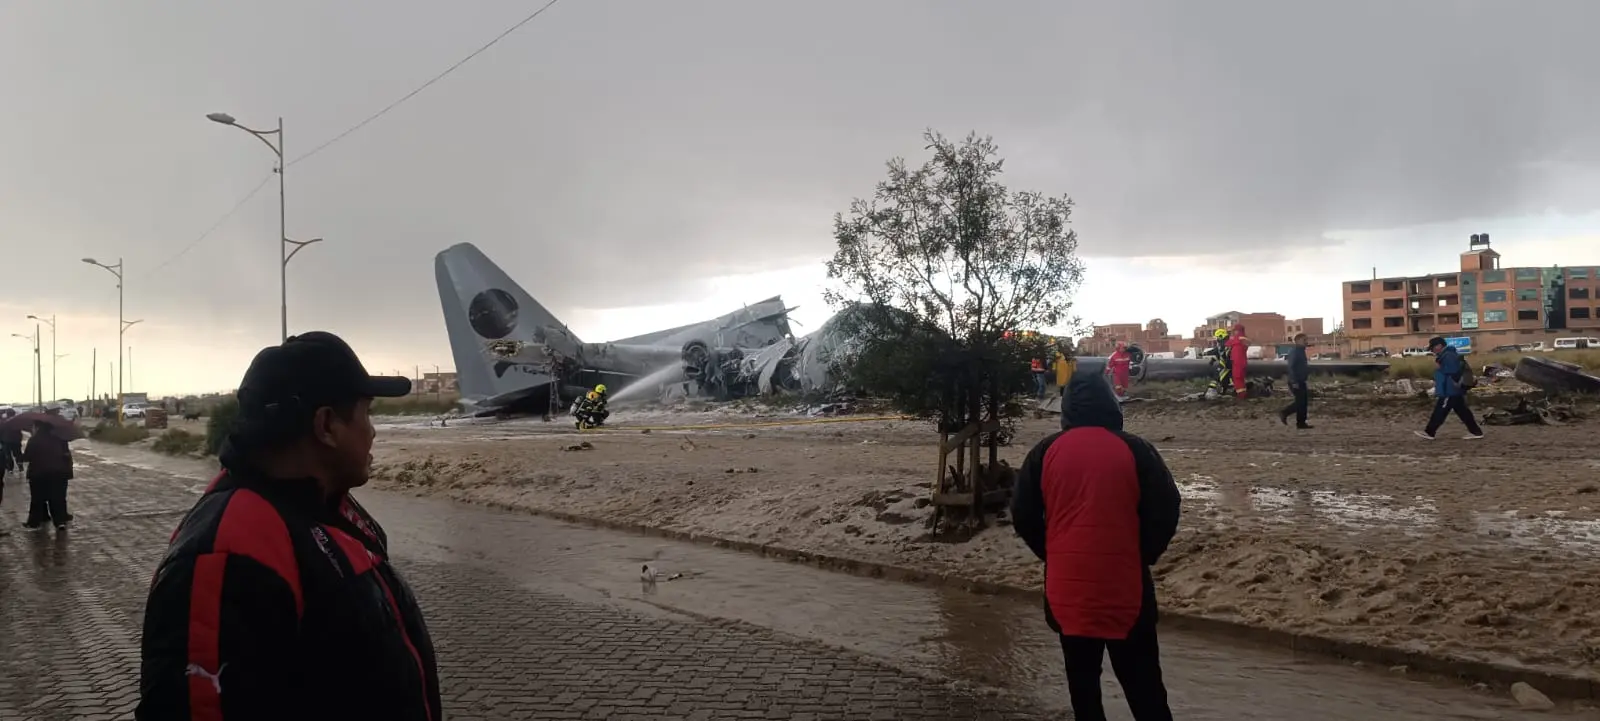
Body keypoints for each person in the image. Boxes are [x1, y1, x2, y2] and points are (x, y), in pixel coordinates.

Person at [136, 331, 441, 720]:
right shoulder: (231, 548)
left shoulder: (325, 508)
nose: (373, 430)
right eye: (366, 413)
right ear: (326, 425)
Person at [1011, 371, 1182, 721]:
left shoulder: (1044, 452)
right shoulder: (1136, 449)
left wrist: (1053, 553)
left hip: (1067, 592)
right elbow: (1165, 509)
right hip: (1127, 588)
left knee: (1083, 690)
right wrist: (1143, 554)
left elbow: (1023, 514)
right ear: (1110, 404)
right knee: (1146, 690)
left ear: (1067, 406)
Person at [1415, 336, 1484, 441]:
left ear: (1439, 346)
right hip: (1453, 389)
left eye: (1433, 347)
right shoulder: (1448, 354)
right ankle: (1476, 432)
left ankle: (1429, 432)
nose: (1432, 350)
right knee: (1463, 412)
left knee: (1440, 411)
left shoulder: (1448, 355)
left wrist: (1440, 368)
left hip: (1449, 389)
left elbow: (1452, 371)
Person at [22, 419, 74, 531]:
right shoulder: (60, 439)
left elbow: (27, 457)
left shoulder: (34, 440)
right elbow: (66, 455)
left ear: (38, 427)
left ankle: (34, 523)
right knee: (57, 498)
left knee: (37, 498)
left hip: (38, 474)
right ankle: (60, 522)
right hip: (58, 473)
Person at [1278, 332, 1312, 429]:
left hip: (1301, 380)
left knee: (1303, 402)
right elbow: (1291, 367)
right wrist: (1294, 381)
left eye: (1306, 340)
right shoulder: (1295, 352)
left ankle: (1301, 423)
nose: (1306, 342)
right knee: (1300, 402)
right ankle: (1285, 412)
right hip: (1296, 381)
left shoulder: (1301, 351)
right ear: (1297, 341)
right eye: (1304, 340)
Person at [1204, 328, 1231, 396]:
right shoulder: (1223, 344)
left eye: (1217, 337)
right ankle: (1222, 391)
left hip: (1226, 365)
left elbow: (1218, 352)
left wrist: (1207, 354)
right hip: (1225, 365)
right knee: (1223, 379)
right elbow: (1218, 354)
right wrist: (1212, 359)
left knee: (1218, 377)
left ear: (1221, 336)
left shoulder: (1225, 344)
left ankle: (1212, 390)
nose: (1217, 339)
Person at [1226, 323, 1250, 399]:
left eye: (1235, 331)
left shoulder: (1237, 339)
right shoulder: (1245, 339)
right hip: (1243, 362)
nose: (1234, 332)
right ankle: (1243, 393)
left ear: (1237, 330)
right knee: (1241, 379)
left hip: (1237, 362)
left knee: (1237, 378)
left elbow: (1227, 343)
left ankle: (1241, 395)